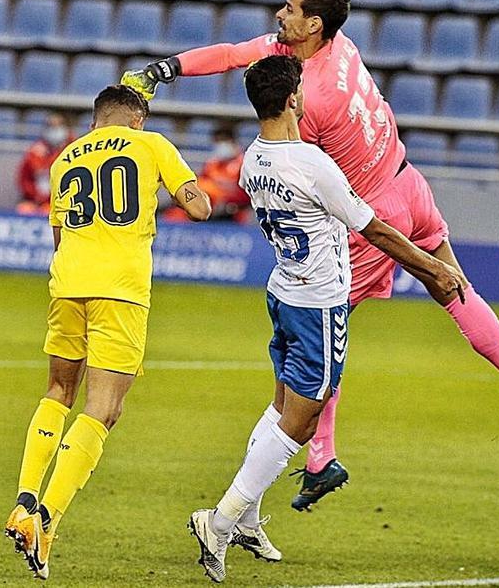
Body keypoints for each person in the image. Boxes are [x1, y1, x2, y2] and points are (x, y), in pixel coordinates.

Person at [123, 0, 499, 510]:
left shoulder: (314, 100)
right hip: (409, 182)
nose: (281, 14)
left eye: (290, 8)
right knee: (453, 285)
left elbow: (304, 172)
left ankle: (321, 456)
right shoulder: (338, 47)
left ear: (313, 24)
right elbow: (235, 53)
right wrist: (169, 69)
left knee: (325, 326)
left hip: (376, 211)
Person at [187, 55, 466, 583]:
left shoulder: (252, 161)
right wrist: (434, 266)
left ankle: (245, 517)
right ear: (294, 99)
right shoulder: (312, 164)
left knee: (279, 407)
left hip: (283, 292)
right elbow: (376, 230)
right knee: (302, 419)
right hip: (318, 303)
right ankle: (220, 519)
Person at [3, 85, 211, 580]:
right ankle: (46, 520)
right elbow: (200, 208)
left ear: (97, 120)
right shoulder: (152, 144)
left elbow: (59, 235)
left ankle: (23, 500)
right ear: (136, 120)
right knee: (104, 408)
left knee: (58, 390)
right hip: (120, 291)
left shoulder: (64, 158)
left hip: (67, 285)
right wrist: (185, 192)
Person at [17, 113, 73, 215]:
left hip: (64, 202)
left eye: (58, 126)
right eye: (51, 126)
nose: (54, 130)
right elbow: (24, 179)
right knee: (23, 209)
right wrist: (36, 196)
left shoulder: (73, 150)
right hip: (36, 201)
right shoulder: (34, 152)